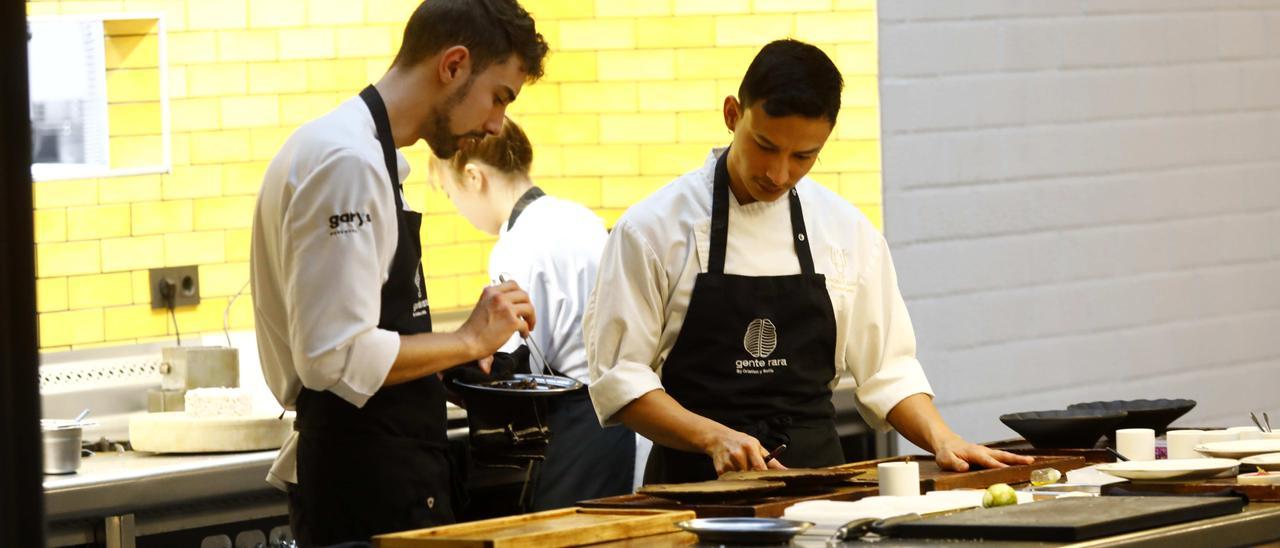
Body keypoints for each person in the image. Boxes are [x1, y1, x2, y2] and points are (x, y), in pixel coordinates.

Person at [583, 39, 1032, 485]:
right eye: (764, 145)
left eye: (803, 157)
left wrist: (942, 438)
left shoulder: (847, 231)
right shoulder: (651, 230)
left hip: (818, 485)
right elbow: (621, 380)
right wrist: (713, 437)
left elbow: (888, 370)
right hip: (694, 487)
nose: (778, 174)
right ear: (732, 115)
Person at [250, 1, 549, 544]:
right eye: (499, 97)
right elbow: (332, 358)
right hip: (361, 486)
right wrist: (465, 338)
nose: (495, 123)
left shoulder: (371, 156)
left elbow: (366, 336)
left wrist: (458, 355)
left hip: (387, 472)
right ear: (453, 65)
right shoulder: (347, 162)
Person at [430, 117, 637, 510]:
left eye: (449, 192)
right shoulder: (577, 216)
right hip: (622, 421)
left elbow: (508, 370)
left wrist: (443, 369)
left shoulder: (518, 245)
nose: (456, 208)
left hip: (581, 428)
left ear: (473, 177)